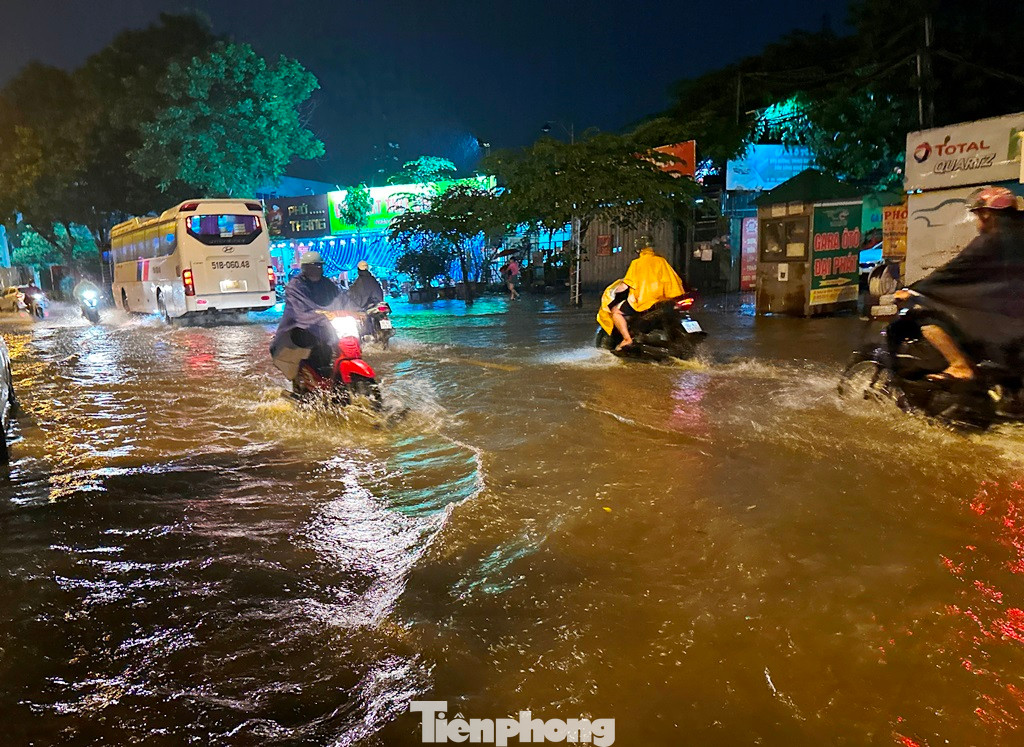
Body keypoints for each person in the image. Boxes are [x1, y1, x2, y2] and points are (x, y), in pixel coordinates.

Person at [894, 185, 1024, 382]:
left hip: (1003, 318)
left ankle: (959, 365)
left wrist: (913, 290)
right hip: (1011, 312)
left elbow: (953, 271)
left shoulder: (990, 241)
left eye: (979, 214)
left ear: (988, 214)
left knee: (925, 314)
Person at [597, 236, 685, 350]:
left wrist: (611, 291)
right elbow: (674, 280)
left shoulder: (636, 263)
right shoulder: (661, 261)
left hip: (643, 302)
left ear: (639, 249)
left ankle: (627, 339)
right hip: (664, 301)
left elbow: (625, 286)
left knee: (615, 312)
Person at [270, 251, 345, 377]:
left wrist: (357, 312)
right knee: (320, 347)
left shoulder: (327, 284)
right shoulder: (296, 286)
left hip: (325, 325)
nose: (316, 270)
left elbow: (341, 299)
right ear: (304, 268)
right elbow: (300, 312)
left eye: (318, 266)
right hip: (301, 328)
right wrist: (324, 315)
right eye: (312, 267)